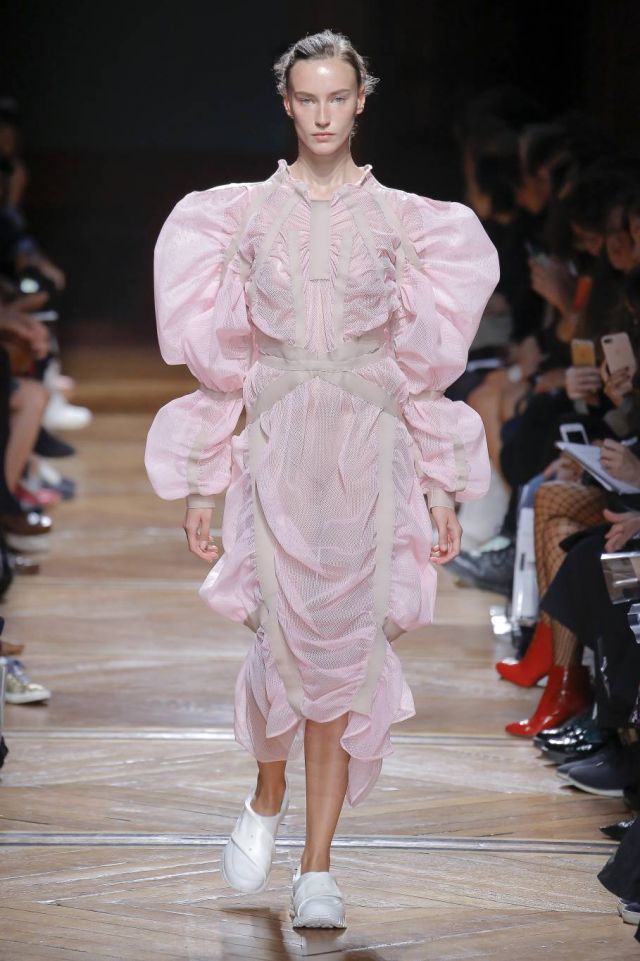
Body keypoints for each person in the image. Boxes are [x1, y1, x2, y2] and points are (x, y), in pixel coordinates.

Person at [144, 29, 500, 929]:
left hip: (367, 456)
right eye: (308, 98)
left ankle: (317, 868)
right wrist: (201, 482)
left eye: (338, 97)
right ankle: (268, 794)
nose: (323, 114)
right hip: (275, 451)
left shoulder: (408, 226)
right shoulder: (239, 220)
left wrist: (441, 486)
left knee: (344, 659)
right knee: (280, 647)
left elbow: (422, 370)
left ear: (361, 100)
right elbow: (222, 366)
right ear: (288, 103)